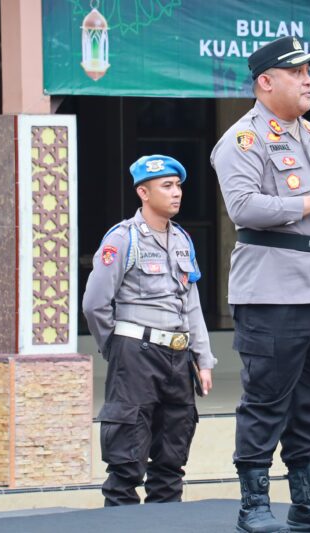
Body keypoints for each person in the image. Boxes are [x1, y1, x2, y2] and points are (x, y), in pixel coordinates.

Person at [210, 35, 310, 533]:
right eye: (298, 73)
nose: (309, 81)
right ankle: (254, 505)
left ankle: (307, 497)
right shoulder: (244, 138)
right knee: (267, 397)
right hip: (274, 291)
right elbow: (242, 208)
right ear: (266, 82)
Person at [82, 154, 215, 506]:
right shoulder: (123, 239)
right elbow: (94, 303)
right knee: (127, 460)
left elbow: (191, 305)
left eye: (178, 186)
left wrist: (203, 359)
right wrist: (116, 346)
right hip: (136, 352)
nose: (177, 193)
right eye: (167, 186)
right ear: (144, 192)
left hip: (178, 356)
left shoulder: (182, 240)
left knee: (171, 461)